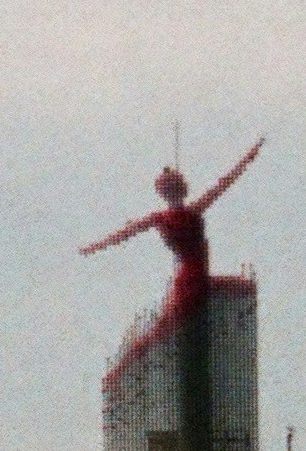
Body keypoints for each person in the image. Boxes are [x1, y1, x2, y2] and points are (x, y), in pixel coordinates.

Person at [80, 139, 263, 341]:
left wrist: (94, 247)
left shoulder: (164, 217)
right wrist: (250, 155)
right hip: (195, 277)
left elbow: (124, 234)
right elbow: (225, 182)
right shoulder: (187, 212)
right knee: (167, 329)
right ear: (181, 188)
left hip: (194, 277)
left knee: (166, 329)